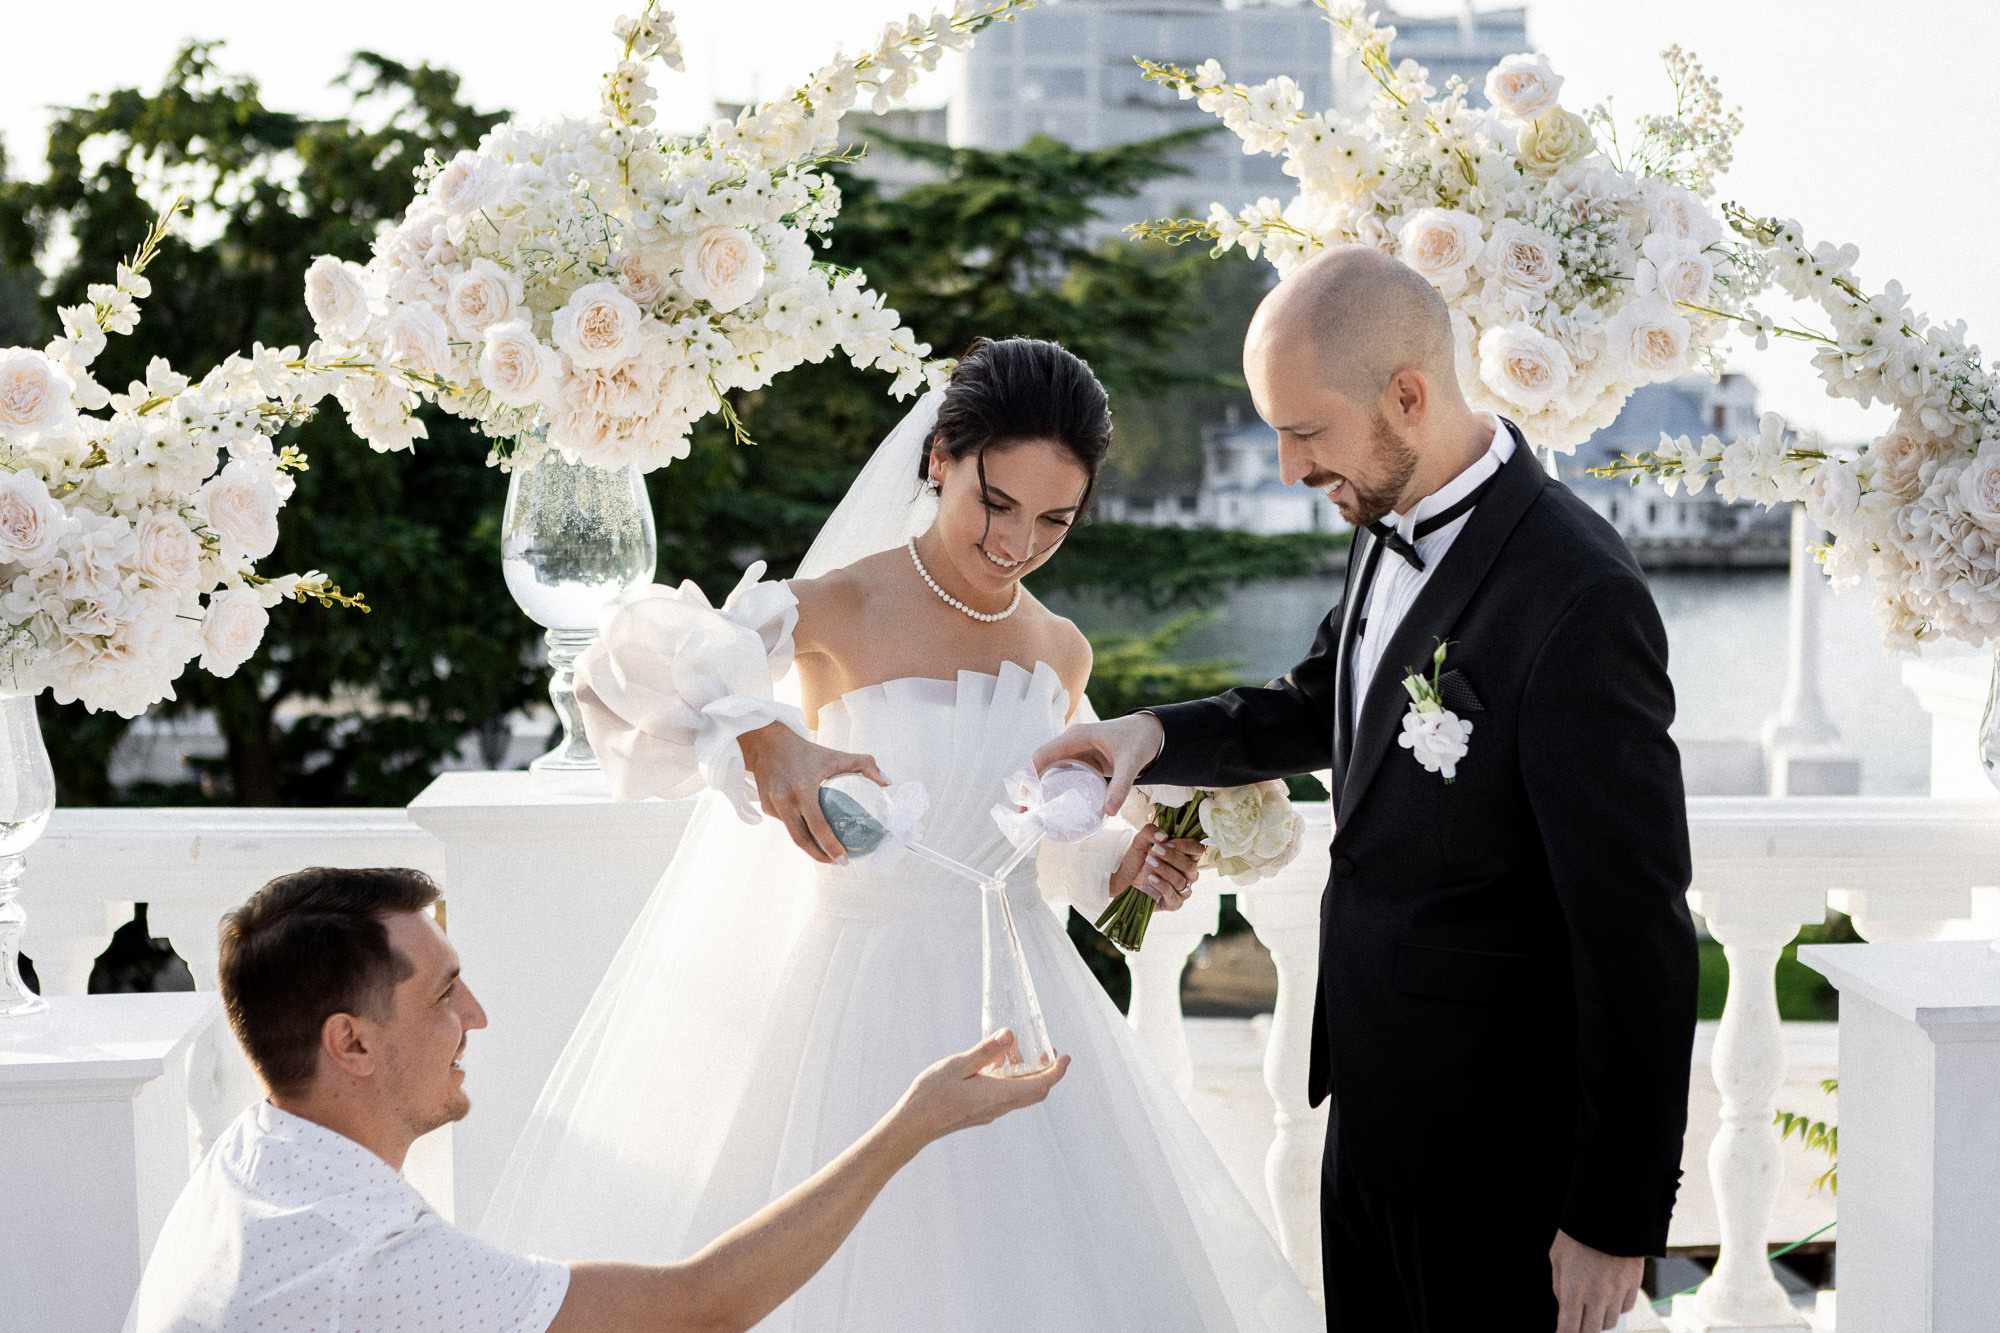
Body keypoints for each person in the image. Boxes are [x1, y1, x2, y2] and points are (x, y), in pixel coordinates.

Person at [481, 336, 1320, 1330]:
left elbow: (1030, 843)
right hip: (858, 999)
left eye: (1053, 519)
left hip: (1021, 1010)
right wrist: (764, 737)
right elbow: (621, 662)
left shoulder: (1060, 647)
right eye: (995, 503)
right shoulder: (842, 602)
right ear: (939, 459)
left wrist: (1124, 864)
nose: (1017, 542)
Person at [1034, 247, 1700, 1333]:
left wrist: (1611, 1217)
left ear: (1407, 396)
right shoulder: (1384, 509)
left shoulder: (1580, 596)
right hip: (1370, 1120)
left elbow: (1638, 931)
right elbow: (1324, 698)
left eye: (1305, 432)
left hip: (1498, 1168)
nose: (1288, 466)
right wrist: (1146, 736)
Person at [130, 866, 1065, 1333]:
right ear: (353, 1042)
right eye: (444, 993)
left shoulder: (252, 1158)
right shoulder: (368, 1259)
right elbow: (700, 1306)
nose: (476, 1014)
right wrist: (916, 1121)